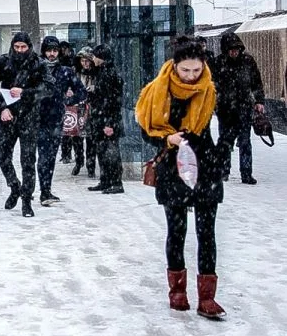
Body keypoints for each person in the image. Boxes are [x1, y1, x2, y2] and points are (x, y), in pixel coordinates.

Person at [135, 36, 225, 319]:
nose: (190, 76)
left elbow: (229, 123)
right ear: (174, 66)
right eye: (185, 70)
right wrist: (166, 137)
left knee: (206, 232)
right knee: (177, 230)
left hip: (205, 167)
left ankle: (207, 297)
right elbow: (145, 131)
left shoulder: (209, 90)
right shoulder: (156, 90)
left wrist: (222, 151)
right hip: (172, 167)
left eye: (196, 70)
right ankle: (177, 291)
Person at [0, 32, 53, 217]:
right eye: (17, 47)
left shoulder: (38, 63)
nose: (20, 51)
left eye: (23, 47)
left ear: (29, 47)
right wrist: (2, 108)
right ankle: (15, 186)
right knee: (2, 154)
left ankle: (26, 199)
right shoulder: (4, 62)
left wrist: (25, 92)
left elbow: (49, 88)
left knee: (28, 160)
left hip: (29, 117)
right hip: (8, 116)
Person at [36, 36, 86, 205]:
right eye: (49, 50)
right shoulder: (36, 69)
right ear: (44, 51)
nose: (52, 54)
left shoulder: (65, 71)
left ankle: (46, 190)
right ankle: (43, 191)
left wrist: (67, 101)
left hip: (56, 119)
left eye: (54, 50)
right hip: (38, 119)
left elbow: (81, 91)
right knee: (43, 156)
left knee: (50, 156)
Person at [211, 32, 265, 184]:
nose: (234, 51)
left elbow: (256, 82)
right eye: (231, 49)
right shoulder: (218, 63)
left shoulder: (248, 61)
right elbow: (210, 85)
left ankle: (246, 173)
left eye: (236, 49)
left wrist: (259, 101)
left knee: (245, 141)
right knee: (225, 142)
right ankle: (224, 171)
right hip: (225, 109)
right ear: (225, 49)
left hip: (243, 108)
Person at [86, 44, 125, 194]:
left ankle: (116, 182)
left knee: (111, 152)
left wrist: (109, 123)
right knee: (102, 151)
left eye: (95, 56)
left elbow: (112, 100)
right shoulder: (102, 72)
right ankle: (106, 180)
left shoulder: (110, 73)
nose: (93, 59)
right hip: (100, 118)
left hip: (108, 120)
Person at [70, 46, 97, 177]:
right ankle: (79, 161)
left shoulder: (97, 73)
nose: (85, 64)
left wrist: (94, 88)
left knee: (91, 139)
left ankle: (90, 165)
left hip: (92, 108)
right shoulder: (75, 73)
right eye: (82, 61)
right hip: (77, 107)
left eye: (87, 60)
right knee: (77, 138)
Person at [58, 41, 76, 163]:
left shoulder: (72, 60)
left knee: (71, 129)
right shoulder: (61, 62)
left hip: (70, 97)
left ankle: (68, 154)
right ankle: (65, 153)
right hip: (62, 97)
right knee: (64, 129)